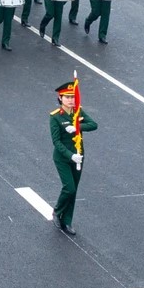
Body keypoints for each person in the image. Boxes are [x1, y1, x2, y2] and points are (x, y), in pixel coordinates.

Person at [50, 79, 97, 235]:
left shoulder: (79, 112)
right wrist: (70, 155)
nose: (70, 100)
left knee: (74, 189)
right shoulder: (55, 117)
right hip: (63, 158)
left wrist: (77, 126)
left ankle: (67, 221)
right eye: (67, 97)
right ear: (60, 98)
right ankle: (57, 211)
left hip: (79, 155)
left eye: (72, 97)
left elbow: (93, 124)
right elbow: (56, 142)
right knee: (69, 188)